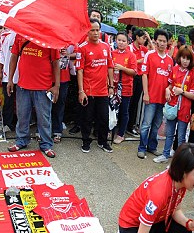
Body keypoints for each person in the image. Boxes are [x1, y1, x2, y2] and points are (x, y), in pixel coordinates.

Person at [7, 33, 60, 158]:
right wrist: (10, 79)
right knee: (22, 116)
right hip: (23, 85)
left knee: (44, 118)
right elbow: (14, 57)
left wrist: (56, 86)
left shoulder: (50, 36)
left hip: (43, 87)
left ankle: (46, 144)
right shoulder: (20, 35)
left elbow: (56, 62)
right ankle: (21, 141)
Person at [154, 46, 194, 164]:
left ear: (191, 60)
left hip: (184, 109)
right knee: (169, 133)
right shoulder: (174, 69)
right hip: (172, 106)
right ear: (179, 58)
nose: (185, 61)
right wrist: (167, 90)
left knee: (181, 137)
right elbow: (169, 85)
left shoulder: (193, 74)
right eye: (183, 57)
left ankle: (178, 162)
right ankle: (165, 154)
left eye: (187, 58)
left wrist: (182, 92)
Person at [76, 19, 114, 154]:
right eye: (92, 30)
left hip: (103, 91)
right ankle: (86, 141)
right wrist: (81, 91)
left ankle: (102, 142)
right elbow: (79, 70)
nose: (96, 33)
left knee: (104, 118)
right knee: (87, 118)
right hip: (88, 90)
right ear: (87, 31)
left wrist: (111, 86)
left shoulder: (106, 47)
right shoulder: (82, 48)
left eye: (97, 30)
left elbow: (110, 66)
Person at [137, 29, 173, 159]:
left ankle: (152, 147)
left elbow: (171, 81)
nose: (162, 43)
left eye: (164, 41)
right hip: (150, 97)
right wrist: (146, 93)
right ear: (155, 41)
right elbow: (144, 75)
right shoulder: (150, 55)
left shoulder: (170, 60)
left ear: (167, 43)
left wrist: (168, 90)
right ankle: (141, 148)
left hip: (162, 100)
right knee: (146, 123)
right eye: (160, 40)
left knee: (157, 125)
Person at [111, 32, 137, 144]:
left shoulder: (131, 55)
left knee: (123, 111)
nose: (121, 43)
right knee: (112, 109)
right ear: (116, 41)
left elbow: (134, 72)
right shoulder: (112, 53)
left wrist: (123, 68)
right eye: (119, 40)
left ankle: (121, 134)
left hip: (126, 87)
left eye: (123, 41)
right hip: (113, 87)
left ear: (128, 42)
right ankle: (109, 130)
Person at [127, 28, 153, 136]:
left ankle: (131, 125)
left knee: (135, 103)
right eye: (143, 38)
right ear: (137, 37)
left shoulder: (143, 49)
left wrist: (149, 39)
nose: (144, 40)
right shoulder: (130, 47)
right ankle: (124, 125)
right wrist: (139, 61)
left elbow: (153, 51)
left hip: (140, 77)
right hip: (130, 77)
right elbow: (127, 61)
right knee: (129, 102)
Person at [0, 29, 17, 133]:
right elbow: (1, 54)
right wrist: (0, 72)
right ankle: (7, 124)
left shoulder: (26, 33)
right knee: (8, 100)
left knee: (23, 102)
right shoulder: (5, 35)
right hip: (7, 75)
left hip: (23, 75)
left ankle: (21, 124)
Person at [52, 45, 74, 143]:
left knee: (59, 104)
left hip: (63, 78)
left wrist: (67, 54)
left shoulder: (69, 40)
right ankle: (41, 130)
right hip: (46, 76)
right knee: (44, 105)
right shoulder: (48, 38)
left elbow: (78, 53)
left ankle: (57, 130)